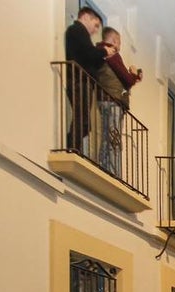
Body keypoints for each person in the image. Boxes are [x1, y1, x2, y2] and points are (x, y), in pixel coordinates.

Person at [94, 26, 141, 177]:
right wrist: (133, 74)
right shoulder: (111, 53)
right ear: (114, 40)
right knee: (114, 139)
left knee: (109, 136)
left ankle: (105, 167)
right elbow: (126, 79)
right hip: (113, 100)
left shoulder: (102, 54)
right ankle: (113, 174)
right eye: (119, 42)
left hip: (109, 99)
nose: (119, 46)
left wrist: (133, 77)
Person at [64, 6, 111, 151]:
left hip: (83, 80)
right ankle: (72, 148)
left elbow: (89, 59)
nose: (96, 30)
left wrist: (103, 56)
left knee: (84, 121)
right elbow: (88, 54)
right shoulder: (77, 31)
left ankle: (73, 147)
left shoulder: (80, 34)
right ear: (85, 17)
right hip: (79, 80)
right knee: (82, 120)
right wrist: (104, 51)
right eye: (96, 25)